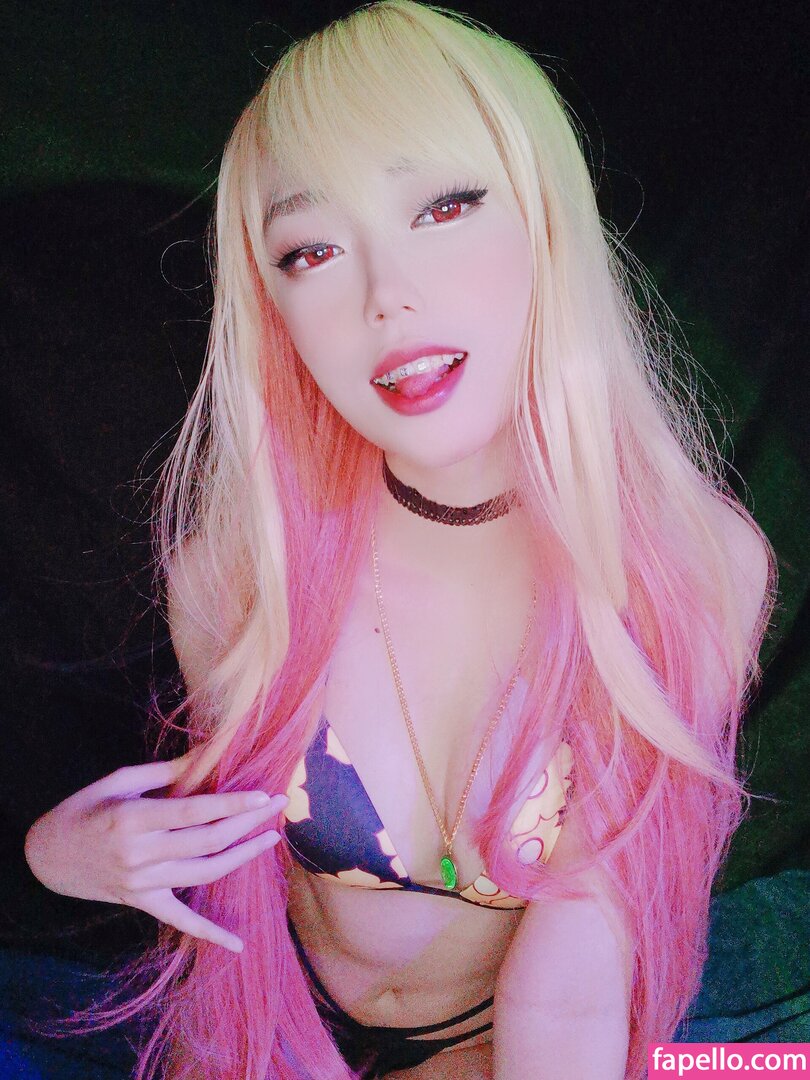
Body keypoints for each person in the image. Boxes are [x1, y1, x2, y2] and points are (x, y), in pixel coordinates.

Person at [22, 2, 775, 1077]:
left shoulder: (691, 569)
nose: (388, 297)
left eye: (444, 206)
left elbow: (573, 990)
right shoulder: (241, 565)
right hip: (266, 1028)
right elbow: (228, 898)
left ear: (547, 217)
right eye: (312, 250)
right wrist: (61, 856)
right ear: (273, 305)